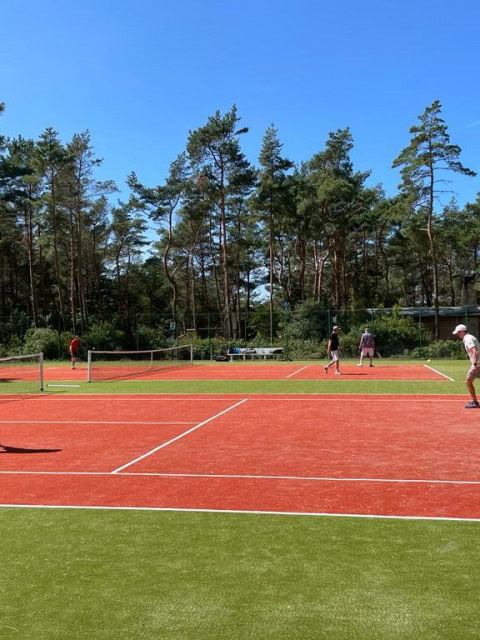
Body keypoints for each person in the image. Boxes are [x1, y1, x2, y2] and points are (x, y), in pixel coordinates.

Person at [453, 324, 480, 408]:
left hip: (478, 364)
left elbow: (475, 351)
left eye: (458, 332)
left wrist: (475, 364)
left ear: (461, 332)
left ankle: (475, 402)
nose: (457, 334)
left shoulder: (468, 339)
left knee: (468, 381)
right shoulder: (470, 337)